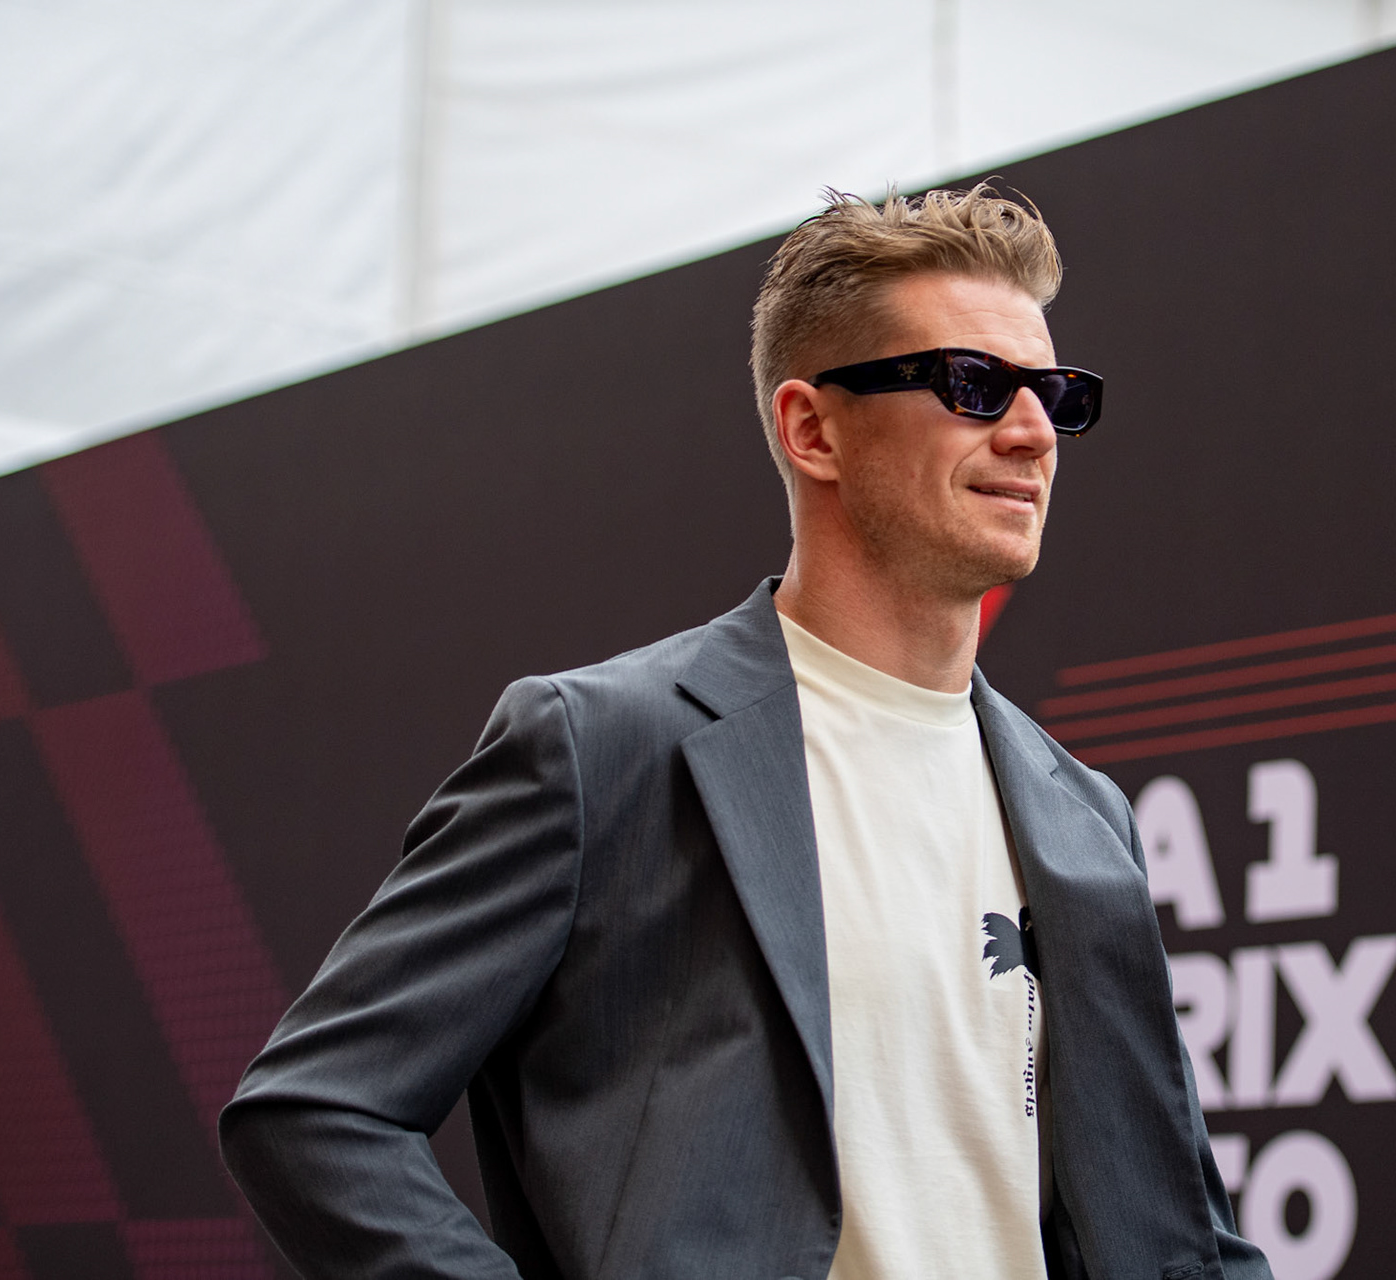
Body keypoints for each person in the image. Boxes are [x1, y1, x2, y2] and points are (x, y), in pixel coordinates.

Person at [220, 185, 1270, 1280]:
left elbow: (1180, 1227)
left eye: (1056, 393)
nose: (1032, 431)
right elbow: (314, 1111)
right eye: (973, 385)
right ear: (812, 428)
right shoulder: (601, 745)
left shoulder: (1081, 808)